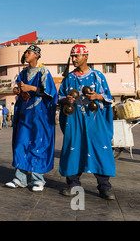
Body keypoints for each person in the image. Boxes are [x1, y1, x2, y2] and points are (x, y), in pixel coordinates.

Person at [58, 44, 116, 200]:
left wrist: (97, 97)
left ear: (86, 56)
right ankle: (73, 185)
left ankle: (104, 187)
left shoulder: (98, 76)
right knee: (73, 149)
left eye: (77, 56)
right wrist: (66, 100)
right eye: (72, 57)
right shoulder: (69, 78)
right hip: (75, 119)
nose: (74, 59)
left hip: (94, 120)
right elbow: (59, 97)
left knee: (100, 148)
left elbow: (109, 97)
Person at [6, 45, 57, 192]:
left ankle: (38, 180)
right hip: (25, 115)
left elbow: (50, 93)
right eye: (26, 52)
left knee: (38, 145)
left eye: (29, 52)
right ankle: (19, 178)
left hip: (40, 116)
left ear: (36, 55)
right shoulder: (23, 72)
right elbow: (19, 88)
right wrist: (18, 90)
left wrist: (32, 88)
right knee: (20, 144)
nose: (26, 54)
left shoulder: (43, 71)